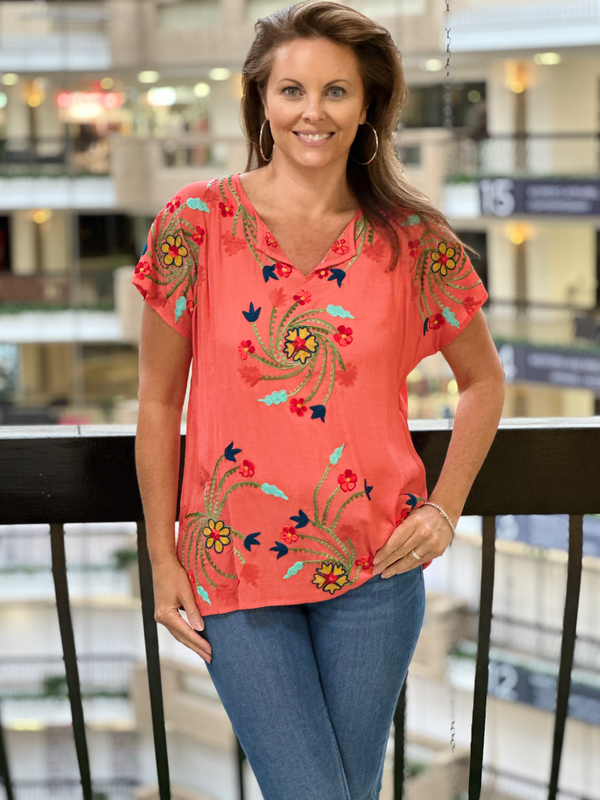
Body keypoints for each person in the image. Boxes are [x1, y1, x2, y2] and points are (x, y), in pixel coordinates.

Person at [132, 1, 505, 797]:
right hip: (232, 569)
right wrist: (161, 556)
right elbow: (159, 402)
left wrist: (444, 508)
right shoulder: (193, 223)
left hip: (377, 570)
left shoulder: (413, 239)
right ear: (261, 102)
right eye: (292, 90)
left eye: (337, 92)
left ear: (367, 106)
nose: (313, 111)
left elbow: (485, 383)